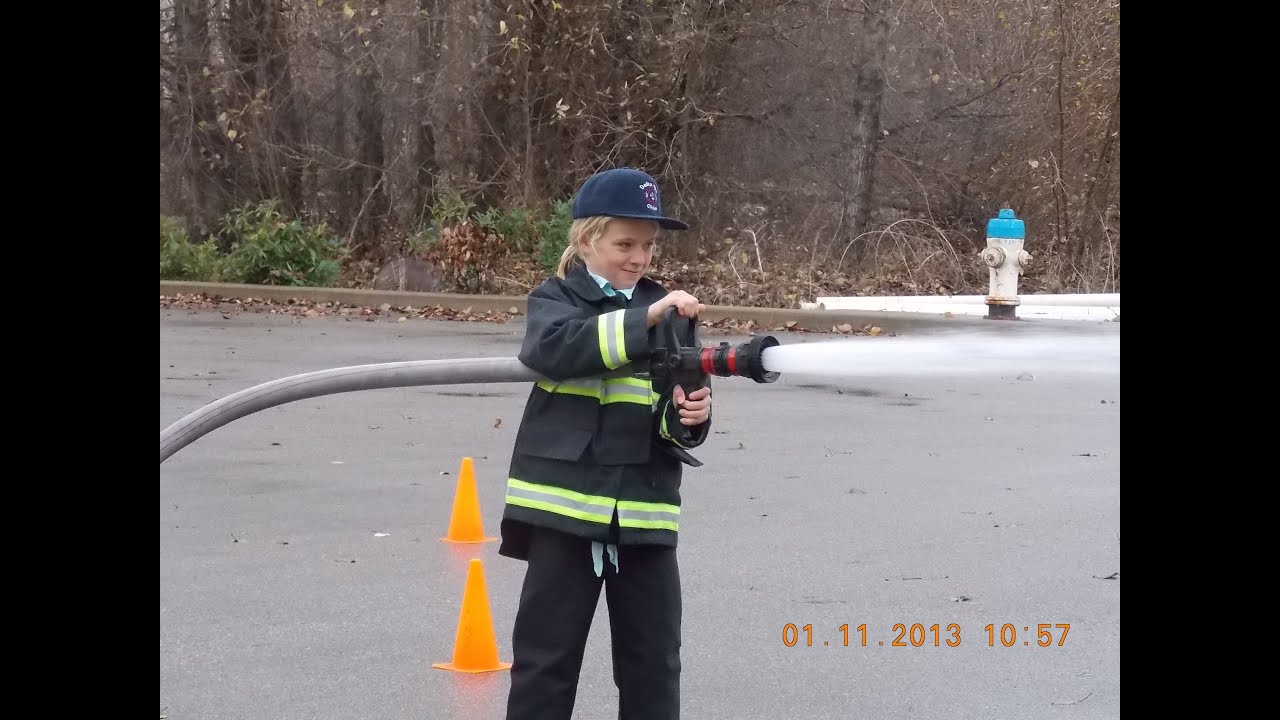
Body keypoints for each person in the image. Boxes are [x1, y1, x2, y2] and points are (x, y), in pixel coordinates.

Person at [500, 167, 713, 720]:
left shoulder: (670, 311)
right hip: (563, 514)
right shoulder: (555, 301)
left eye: (647, 246)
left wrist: (690, 416)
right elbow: (555, 349)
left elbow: (681, 410)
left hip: (644, 513)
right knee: (546, 664)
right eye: (625, 244)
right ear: (586, 239)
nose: (639, 258)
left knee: (654, 665)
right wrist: (644, 320)